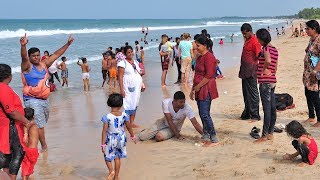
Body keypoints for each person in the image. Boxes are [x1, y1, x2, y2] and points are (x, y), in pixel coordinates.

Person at [20, 34, 73, 153]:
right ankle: (44, 147)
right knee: (39, 124)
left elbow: (56, 55)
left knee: (40, 122)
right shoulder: (27, 67)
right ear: (29, 57)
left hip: (44, 100)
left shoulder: (44, 64)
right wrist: (23, 46)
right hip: (32, 99)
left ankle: (27, 136)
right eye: (33, 56)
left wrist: (68, 44)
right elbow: (23, 58)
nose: (36, 58)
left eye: (38, 55)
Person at [0, 64, 34, 180]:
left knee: (7, 154)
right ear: (9, 76)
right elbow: (11, 111)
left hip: (5, 125)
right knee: (17, 153)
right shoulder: (3, 88)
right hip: (11, 126)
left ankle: (7, 176)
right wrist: (26, 121)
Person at [139, 91, 203, 141]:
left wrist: (205, 135)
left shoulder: (187, 108)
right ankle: (149, 131)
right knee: (142, 137)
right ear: (174, 101)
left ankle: (154, 132)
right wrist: (179, 136)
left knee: (158, 137)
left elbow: (195, 124)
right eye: (181, 102)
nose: (183, 104)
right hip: (163, 123)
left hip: (174, 128)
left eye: (184, 101)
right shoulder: (166, 103)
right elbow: (170, 121)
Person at [190, 35, 219, 147]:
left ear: (205, 46)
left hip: (206, 88)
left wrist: (198, 87)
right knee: (202, 113)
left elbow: (209, 75)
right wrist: (193, 89)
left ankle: (213, 136)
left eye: (198, 46)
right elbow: (196, 74)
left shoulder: (209, 57)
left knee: (205, 113)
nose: (196, 48)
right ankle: (206, 134)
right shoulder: (200, 57)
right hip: (198, 88)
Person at [101, 93, 136, 180]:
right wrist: (132, 136)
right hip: (121, 138)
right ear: (121, 105)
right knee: (117, 157)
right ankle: (116, 176)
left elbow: (104, 131)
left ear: (109, 103)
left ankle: (111, 171)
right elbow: (129, 127)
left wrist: (103, 144)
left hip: (111, 139)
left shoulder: (107, 117)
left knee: (107, 156)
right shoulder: (124, 115)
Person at [254, 29, 279, 143]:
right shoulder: (274, 49)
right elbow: (275, 66)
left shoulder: (266, 49)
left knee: (267, 109)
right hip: (272, 80)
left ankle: (264, 135)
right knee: (273, 108)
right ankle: (270, 133)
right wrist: (271, 72)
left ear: (260, 39)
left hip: (265, 82)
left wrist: (264, 70)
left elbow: (268, 60)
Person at [118, 46, 145, 128]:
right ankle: (126, 124)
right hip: (128, 88)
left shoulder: (135, 62)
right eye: (128, 52)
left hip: (137, 88)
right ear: (125, 54)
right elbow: (120, 77)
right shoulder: (122, 63)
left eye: (131, 52)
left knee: (135, 104)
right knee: (128, 105)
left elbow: (138, 74)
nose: (130, 54)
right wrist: (122, 90)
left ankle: (131, 123)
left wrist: (142, 84)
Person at [239, 23, 261, 121]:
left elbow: (259, 56)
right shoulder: (247, 40)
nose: (244, 35)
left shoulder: (255, 41)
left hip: (252, 70)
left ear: (250, 31)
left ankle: (255, 115)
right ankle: (247, 112)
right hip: (244, 70)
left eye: (245, 33)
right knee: (246, 92)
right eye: (242, 34)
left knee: (253, 92)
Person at [302, 20, 320, 127]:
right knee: (307, 94)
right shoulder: (311, 39)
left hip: (314, 73)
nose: (306, 31)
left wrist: (316, 70)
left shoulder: (319, 40)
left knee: (315, 96)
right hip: (307, 72)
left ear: (314, 29)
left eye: (308, 29)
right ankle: (311, 116)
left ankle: (319, 119)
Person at [21, 108, 39, 180]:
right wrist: (25, 134)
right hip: (33, 150)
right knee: (29, 167)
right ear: (34, 116)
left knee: (26, 166)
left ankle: (25, 178)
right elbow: (27, 124)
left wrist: (25, 134)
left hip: (27, 149)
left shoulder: (26, 125)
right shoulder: (34, 124)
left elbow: (26, 125)